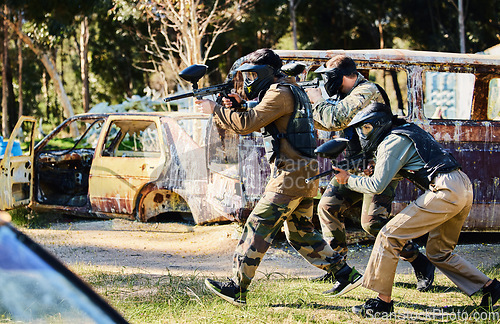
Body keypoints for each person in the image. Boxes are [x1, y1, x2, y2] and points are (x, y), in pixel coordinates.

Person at [195, 48, 362, 306]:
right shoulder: (291, 89)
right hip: (303, 174)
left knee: (258, 225)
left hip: (290, 175)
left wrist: (216, 109)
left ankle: (237, 288)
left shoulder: (278, 92)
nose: (249, 81)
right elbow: (262, 115)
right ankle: (345, 274)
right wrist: (238, 105)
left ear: (268, 73)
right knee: (300, 233)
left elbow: (247, 124)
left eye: (253, 75)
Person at [327, 102, 500, 315]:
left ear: (378, 124)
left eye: (366, 128)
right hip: (462, 185)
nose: (363, 134)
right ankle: (491, 288)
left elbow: (376, 186)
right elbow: (407, 168)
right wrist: (373, 170)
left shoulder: (392, 141)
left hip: (445, 190)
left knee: (389, 236)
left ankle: (382, 304)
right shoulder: (407, 132)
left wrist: (348, 180)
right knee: (439, 253)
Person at [306, 55, 435, 294]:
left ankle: (420, 262)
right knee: (327, 206)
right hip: (356, 164)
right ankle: (338, 269)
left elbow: (336, 118)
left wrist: (317, 101)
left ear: (345, 76)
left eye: (330, 78)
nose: (327, 83)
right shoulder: (344, 95)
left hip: (380, 164)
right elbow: (328, 123)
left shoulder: (367, 90)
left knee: (373, 223)